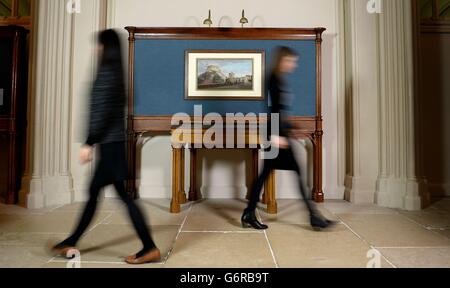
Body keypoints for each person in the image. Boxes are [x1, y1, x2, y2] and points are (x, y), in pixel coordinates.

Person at [51, 29, 160, 265]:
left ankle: (149, 247)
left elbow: (101, 113)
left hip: (109, 147)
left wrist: (89, 142)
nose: (95, 49)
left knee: (111, 196)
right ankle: (72, 240)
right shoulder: (115, 74)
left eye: (98, 45)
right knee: (106, 195)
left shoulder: (106, 75)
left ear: (105, 48)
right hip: (113, 146)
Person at [241, 46, 335, 230]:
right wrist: (277, 135)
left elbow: (281, 111)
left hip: (278, 132)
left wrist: (292, 129)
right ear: (282, 60)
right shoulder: (273, 79)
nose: (294, 64)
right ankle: (313, 216)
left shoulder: (279, 79)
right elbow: (273, 109)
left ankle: (249, 213)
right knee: (284, 174)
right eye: (291, 61)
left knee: (268, 174)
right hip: (275, 135)